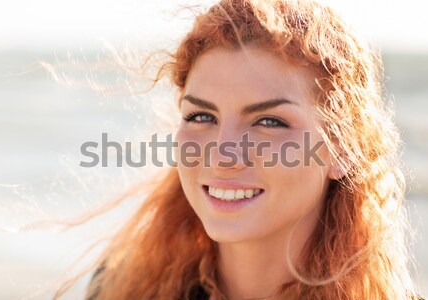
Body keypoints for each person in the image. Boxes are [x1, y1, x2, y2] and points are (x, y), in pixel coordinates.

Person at [61, 0, 422, 299]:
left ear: (343, 149)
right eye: (202, 115)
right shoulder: (118, 289)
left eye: (269, 122)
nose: (222, 155)